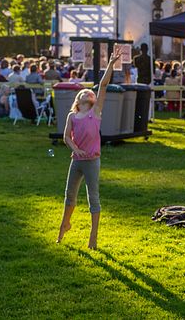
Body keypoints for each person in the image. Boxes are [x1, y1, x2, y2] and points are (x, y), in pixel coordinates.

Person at [57, 51, 121, 249]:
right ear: (78, 99)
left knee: (93, 197)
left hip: (92, 161)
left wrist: (110, 63)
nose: (87, 92)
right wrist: (76, 148)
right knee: (70, 196)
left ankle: (93, 236)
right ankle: (64, 225)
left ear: (93, 100)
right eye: (83, 91)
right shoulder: (72, 116)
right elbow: (66, 137)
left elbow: (103, 85)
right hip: (76, 161)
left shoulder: (96, 112)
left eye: (89, 92)